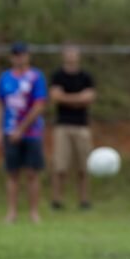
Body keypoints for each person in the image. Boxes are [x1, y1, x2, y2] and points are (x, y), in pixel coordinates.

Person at [0, 42, 48, 224]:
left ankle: (34, 213)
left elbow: (39, 105)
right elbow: (0, 104)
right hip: (9, 132)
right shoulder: (5, 78)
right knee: (12, 173)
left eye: (23, 54)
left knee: (33, 173)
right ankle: (12, 212)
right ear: (12, 57)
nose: (20, 58)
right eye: (16, 55)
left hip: (31, 133)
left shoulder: (35, 77)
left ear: (28, 56)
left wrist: (21, 129)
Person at [50, 45, 96, 210]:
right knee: (60, 165)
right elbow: (55, 97)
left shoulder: (86, 77)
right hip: (62, 125)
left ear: (79, 56)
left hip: (82, 126)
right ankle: (57, 200)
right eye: (68, 53)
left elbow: (89, 98)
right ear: (63, 55)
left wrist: (66, 97)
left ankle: (84, 200)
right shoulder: (58, 76)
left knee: (84, 166)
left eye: (73, 53)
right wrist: (78, 98)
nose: (71, 57)